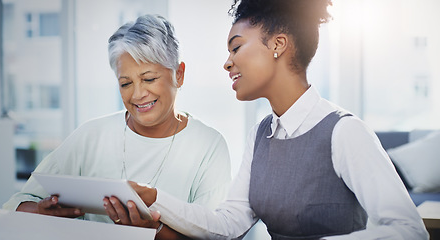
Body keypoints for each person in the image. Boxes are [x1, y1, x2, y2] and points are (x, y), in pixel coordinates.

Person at [107, 0, 430, 239]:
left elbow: (408, 230)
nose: (227, 63)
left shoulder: (344, 131)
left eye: (236, 47)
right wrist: (154, 198)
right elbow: (228, 223)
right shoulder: (261, 134)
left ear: (278, 45)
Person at [3, 14, 231, 239]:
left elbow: (215, 234)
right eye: (126, 83)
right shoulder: (91, 136)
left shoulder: (208, 146)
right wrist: (39, 213)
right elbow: (17, 203)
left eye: (149, 79)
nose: (138, 94)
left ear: (179, 75)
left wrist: (154, 232)